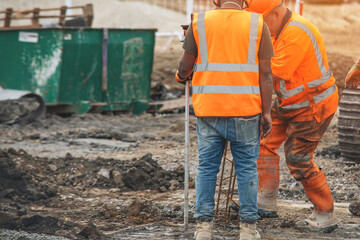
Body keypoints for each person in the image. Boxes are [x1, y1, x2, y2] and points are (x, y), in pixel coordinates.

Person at [176, 0, 274, 239]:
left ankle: (204, 228)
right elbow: (266, 74)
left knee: (207, 168)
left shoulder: (199, 22)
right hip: (246, 110)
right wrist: (267, 112)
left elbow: (185, 66)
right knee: (247, 169)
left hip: (209, 109)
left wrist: (180, 76)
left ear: (215, 0)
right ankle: (248, 229)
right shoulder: (258, 23)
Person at [247, 0, 339, 232]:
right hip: (289, 103)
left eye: (262, 21)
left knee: (298, 159)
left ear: (276, 13)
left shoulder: (296, 31)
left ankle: (325, 213)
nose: (260, 28)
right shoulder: (276, 29)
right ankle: (265, 200)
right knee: (263, 142)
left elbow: (275, 72)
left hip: (313, 106)